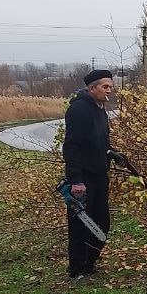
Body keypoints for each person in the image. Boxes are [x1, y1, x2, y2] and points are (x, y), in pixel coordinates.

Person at [62, 69, 127, 280]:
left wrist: (111, 153)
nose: (109, 90)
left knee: (101, 222)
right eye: (105, 87)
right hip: (83, 178)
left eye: (110, 86)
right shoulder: (79, 110)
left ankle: (90, 262)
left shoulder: (100, 109)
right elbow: (72, 147)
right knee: (81, 223)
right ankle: (77, 269)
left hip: (100, 175)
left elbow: (98, 142)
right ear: (92, 88)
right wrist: (76, 180)